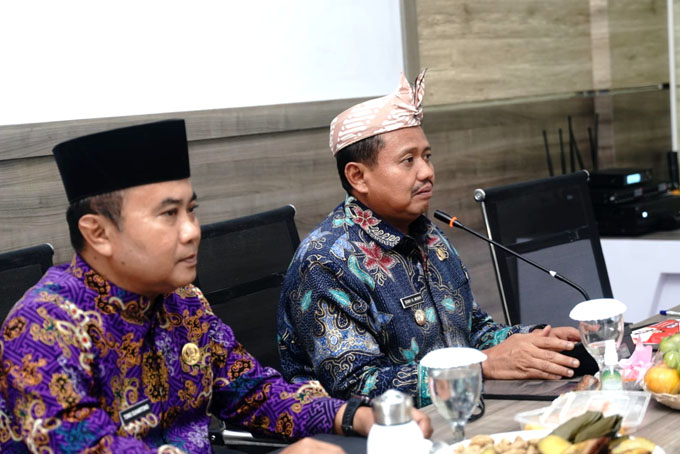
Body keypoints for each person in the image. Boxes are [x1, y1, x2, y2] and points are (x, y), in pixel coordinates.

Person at [0, 120, 431, 453]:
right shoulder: (43, 328)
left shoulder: (182, 302)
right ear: (98, 233)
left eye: (191, 211)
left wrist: (355, 415)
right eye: (168, 215)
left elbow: (251, 392)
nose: (192, 231)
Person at [277, 71, 582, 407]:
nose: (427, 172)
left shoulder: (428, 236)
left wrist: (537, 341)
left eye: (427, 156)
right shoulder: (325, 262)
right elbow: (356, 388)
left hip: (458, 409)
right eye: (408, 160)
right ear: (358, 176)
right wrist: (480, 367)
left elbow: (472, 332)